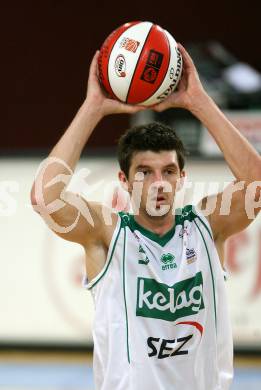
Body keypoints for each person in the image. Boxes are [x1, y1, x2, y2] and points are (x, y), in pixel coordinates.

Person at [31, 44, 261, 390]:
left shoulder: (207, 225)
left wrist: (198, 101)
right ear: (124, 180)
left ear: (183, 177)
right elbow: (44, 199)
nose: (158, 184)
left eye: (169, 171)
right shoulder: (107, 233)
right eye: (144, 172)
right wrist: (92, 108)